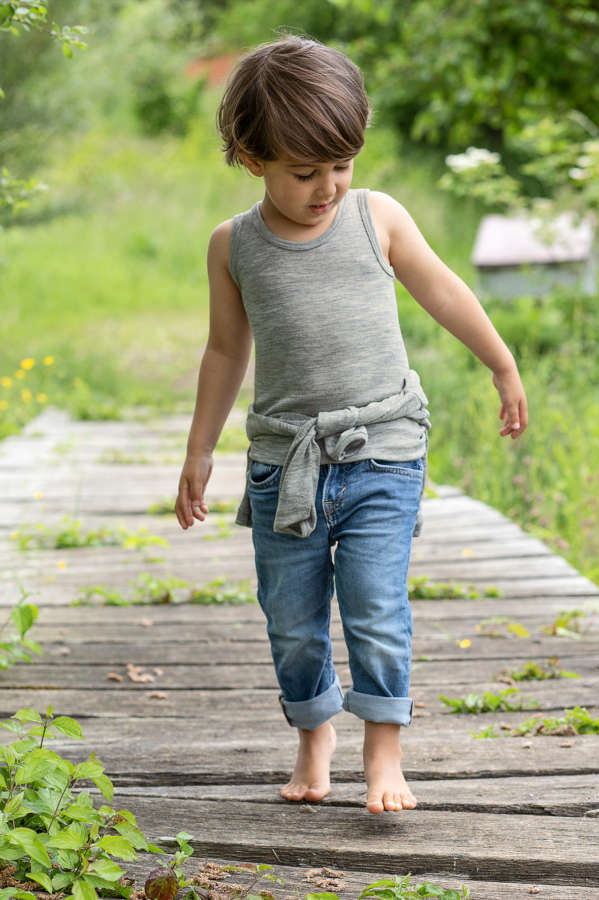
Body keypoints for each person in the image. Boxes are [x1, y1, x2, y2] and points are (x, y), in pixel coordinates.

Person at [175, 34, 528, 816]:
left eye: (342, 164)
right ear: (248, 155)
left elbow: (443, 292)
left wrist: (501, 364)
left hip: (383, 450)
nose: (328, 186)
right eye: (305, 172)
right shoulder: (234, 246)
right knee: (293, 621)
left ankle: (383, 746)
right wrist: (199, 451)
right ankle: (313, 734)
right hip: (285, 465)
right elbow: (225, 349)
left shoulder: (379, 218)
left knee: (375, 604)